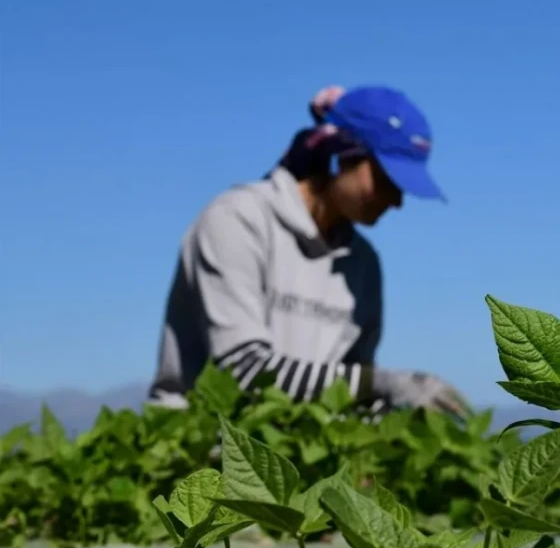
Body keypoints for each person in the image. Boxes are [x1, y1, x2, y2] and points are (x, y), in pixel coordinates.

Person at [146, 84, 472, 422]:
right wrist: (386, 384)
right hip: (198, 449)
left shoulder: (362, 265)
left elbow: (348, 392)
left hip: (291, 449)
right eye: (386, 179)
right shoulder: (237, 221)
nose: (395, 200)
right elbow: (244, 370)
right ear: (340, 155)